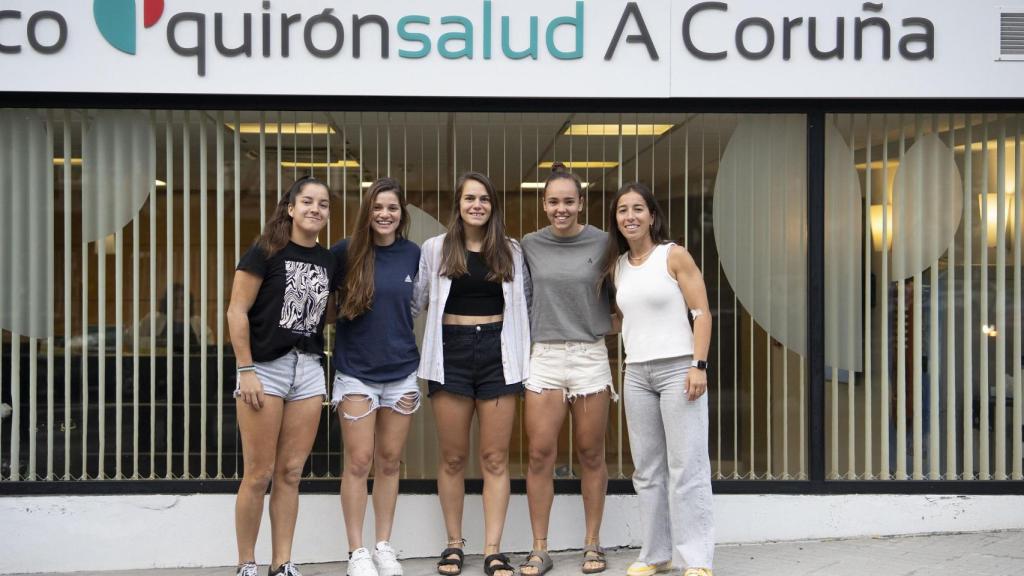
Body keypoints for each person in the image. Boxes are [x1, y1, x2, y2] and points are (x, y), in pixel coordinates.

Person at [412, 172, 530, 576]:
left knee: (495, 458)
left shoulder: (511, 251)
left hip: (499, 353)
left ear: (493, 205)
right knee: (453, 457)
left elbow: (525, 304)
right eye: (469, 198)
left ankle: (493, 549)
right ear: (458, 205)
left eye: (484, 198)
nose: (477, 205)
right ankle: (453, 544)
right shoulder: (435, 249)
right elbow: (416, 301)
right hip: (451, 353)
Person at [602, 182, 715, 576]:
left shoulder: (673, 255)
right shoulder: (616, 266)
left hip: (678, 369)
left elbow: (702, 313)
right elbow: (622, 321)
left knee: (687, 467)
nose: (629, 216)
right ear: (615, 219)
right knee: (647, 470)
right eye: (622, 210)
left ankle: (696, 559)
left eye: (637, 209)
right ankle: (655, 554)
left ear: (651, 215)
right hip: (636, 373)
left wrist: (698, 365)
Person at [227, 175, 337, 576]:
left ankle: (283, 562)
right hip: (264, 371)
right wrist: (246, 369)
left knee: (291, 472)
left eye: (323, 204)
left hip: (308, 369)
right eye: (307, 201)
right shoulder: (265, 251)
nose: (315, 209)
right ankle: (246, 563)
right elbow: (236, 311)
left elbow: (325, 315)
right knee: (259, 473)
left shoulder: (328, 261)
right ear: (290, 208)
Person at [520, 164, 615, 576]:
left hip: (590, 356)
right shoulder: (528, 245)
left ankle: (592, 544)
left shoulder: (605, 242)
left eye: (569, 201)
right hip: (544, 356)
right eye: (554, 201)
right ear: (544, 204)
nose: (562, 209)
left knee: (591, 453)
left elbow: (622, 298)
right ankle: (540, 548)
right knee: (540, 454)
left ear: (582, 203)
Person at [331, 178, 422, 576]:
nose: (385, 214)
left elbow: (416, 307)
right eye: (378, 207)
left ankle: (383, 546)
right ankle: (357, 552)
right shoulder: (344, 252)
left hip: (401, 372)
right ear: (367, 211)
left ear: (402, 215)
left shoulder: (413, 254)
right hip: (356, 373)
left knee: (388, 461)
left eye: (393, 208)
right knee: (359, 461)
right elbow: (326, 306)